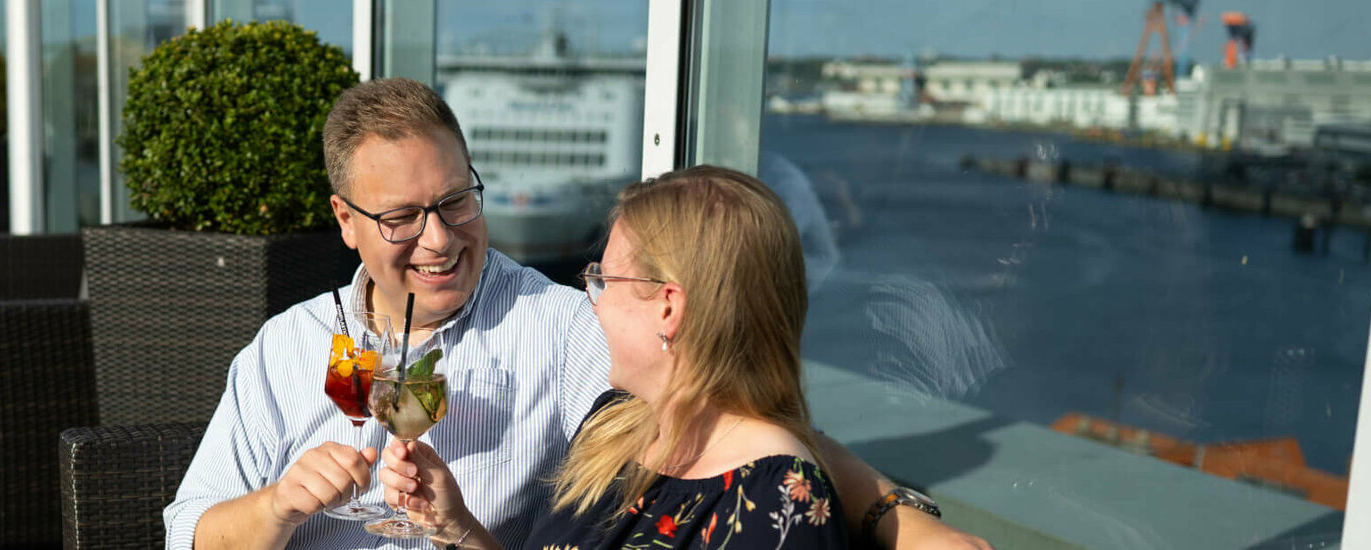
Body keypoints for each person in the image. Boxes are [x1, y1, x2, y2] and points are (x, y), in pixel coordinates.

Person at [165, 78, 988, 550]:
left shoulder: (560, 326)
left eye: (456, 199)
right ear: (345, 221)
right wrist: (276, 507)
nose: (441, 238)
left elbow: (722, 408)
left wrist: (892, 515)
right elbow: (189, 532)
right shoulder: (289, 346)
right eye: (402, 218)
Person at [376, 165, 846, 549]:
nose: (592, 299)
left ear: (668, 307)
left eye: (604, 279)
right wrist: (454, 524)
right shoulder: (614, 426)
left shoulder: (778, 503)